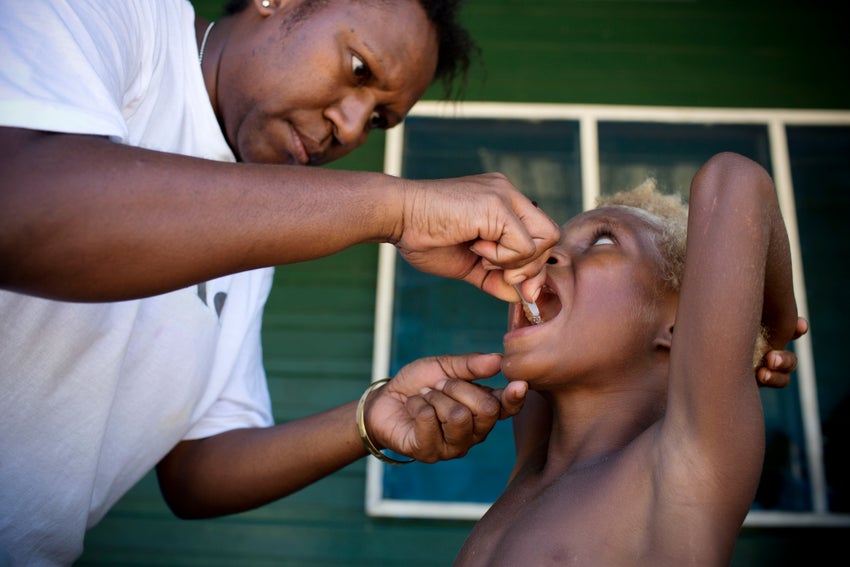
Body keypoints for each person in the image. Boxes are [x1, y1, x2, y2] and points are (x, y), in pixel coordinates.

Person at [0, 1, 560, 565]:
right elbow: (19, 204)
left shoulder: (257, 223)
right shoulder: (117, 17)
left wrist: (370, 419)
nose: (350, 128)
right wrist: (398, 208)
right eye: (359, 69)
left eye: (376, 120)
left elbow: (195, 472)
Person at [453, 152, 807, 566]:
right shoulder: (534, 464)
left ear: (678, 326)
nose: (545, 257)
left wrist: (773, 329)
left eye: (603, 241)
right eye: (550, 245)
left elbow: (734, 178)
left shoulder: (682, 468)